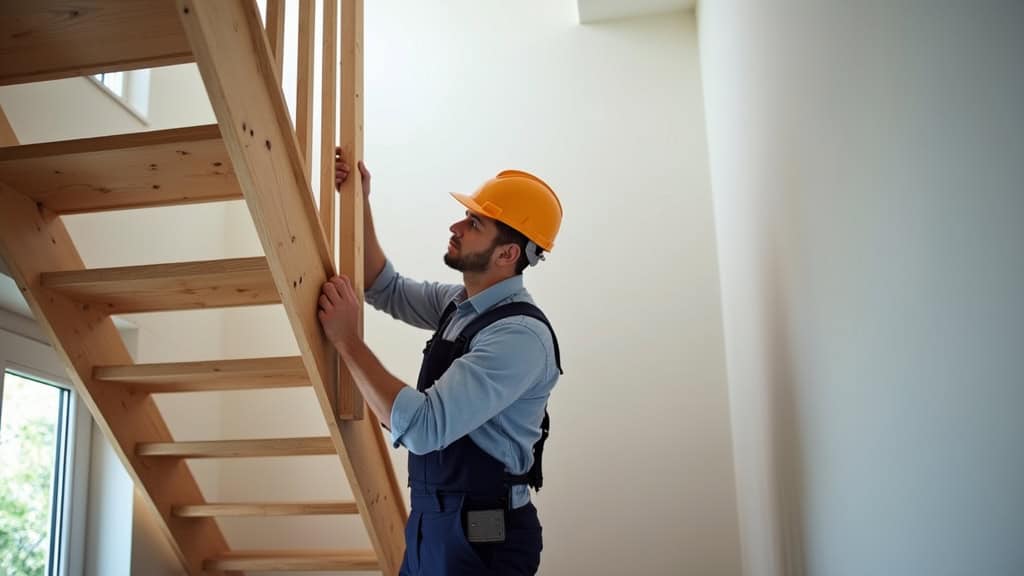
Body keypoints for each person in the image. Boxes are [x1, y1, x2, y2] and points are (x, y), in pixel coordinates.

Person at [317, 150, 563, 576]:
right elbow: (384, 286)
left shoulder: (518, 337)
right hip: (434, 524)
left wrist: (347, 341)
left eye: (474, 224)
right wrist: (360, 202)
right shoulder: (460, 304)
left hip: (485, 538)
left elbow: (424, 427)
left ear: (507, 254)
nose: (456, 226)